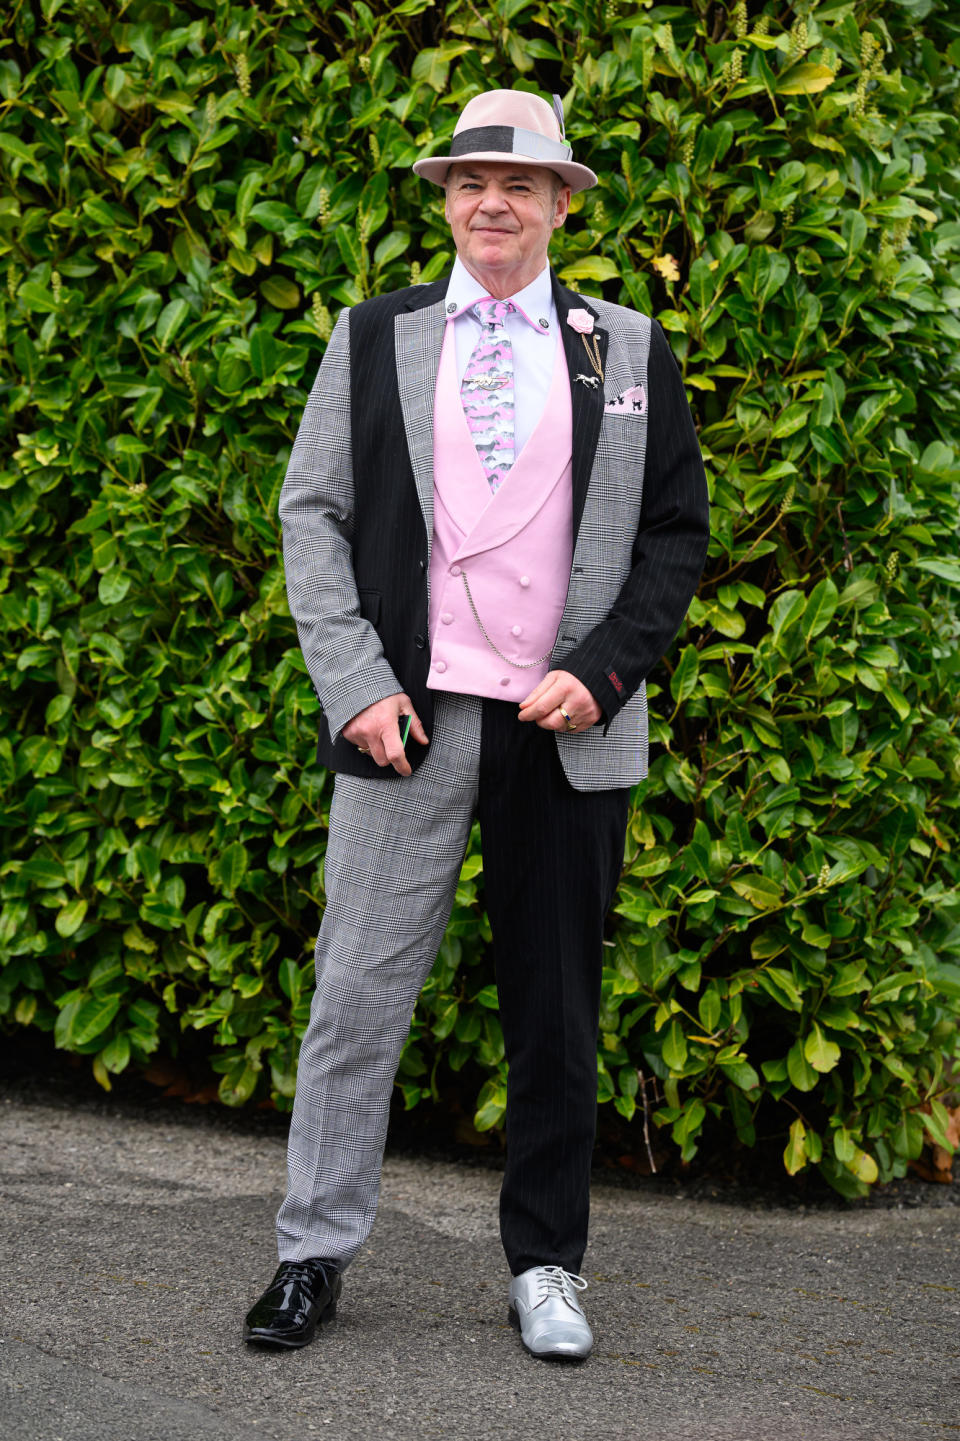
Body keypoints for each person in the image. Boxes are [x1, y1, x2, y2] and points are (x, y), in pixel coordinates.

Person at [243, 87, 709, 1361]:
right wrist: (358, 684)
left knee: (556, 1011)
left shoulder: (628, 349)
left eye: (519, 185)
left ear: (563, 202)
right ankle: (310, 1253)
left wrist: (606, 673)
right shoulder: (374, 333)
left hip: (566, 727)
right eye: (467, 184)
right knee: (352, 996)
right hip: (409, 717)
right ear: (447, 200)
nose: (491, 203)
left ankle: (548, 1264)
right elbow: (312, 515)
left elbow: (675, 536)